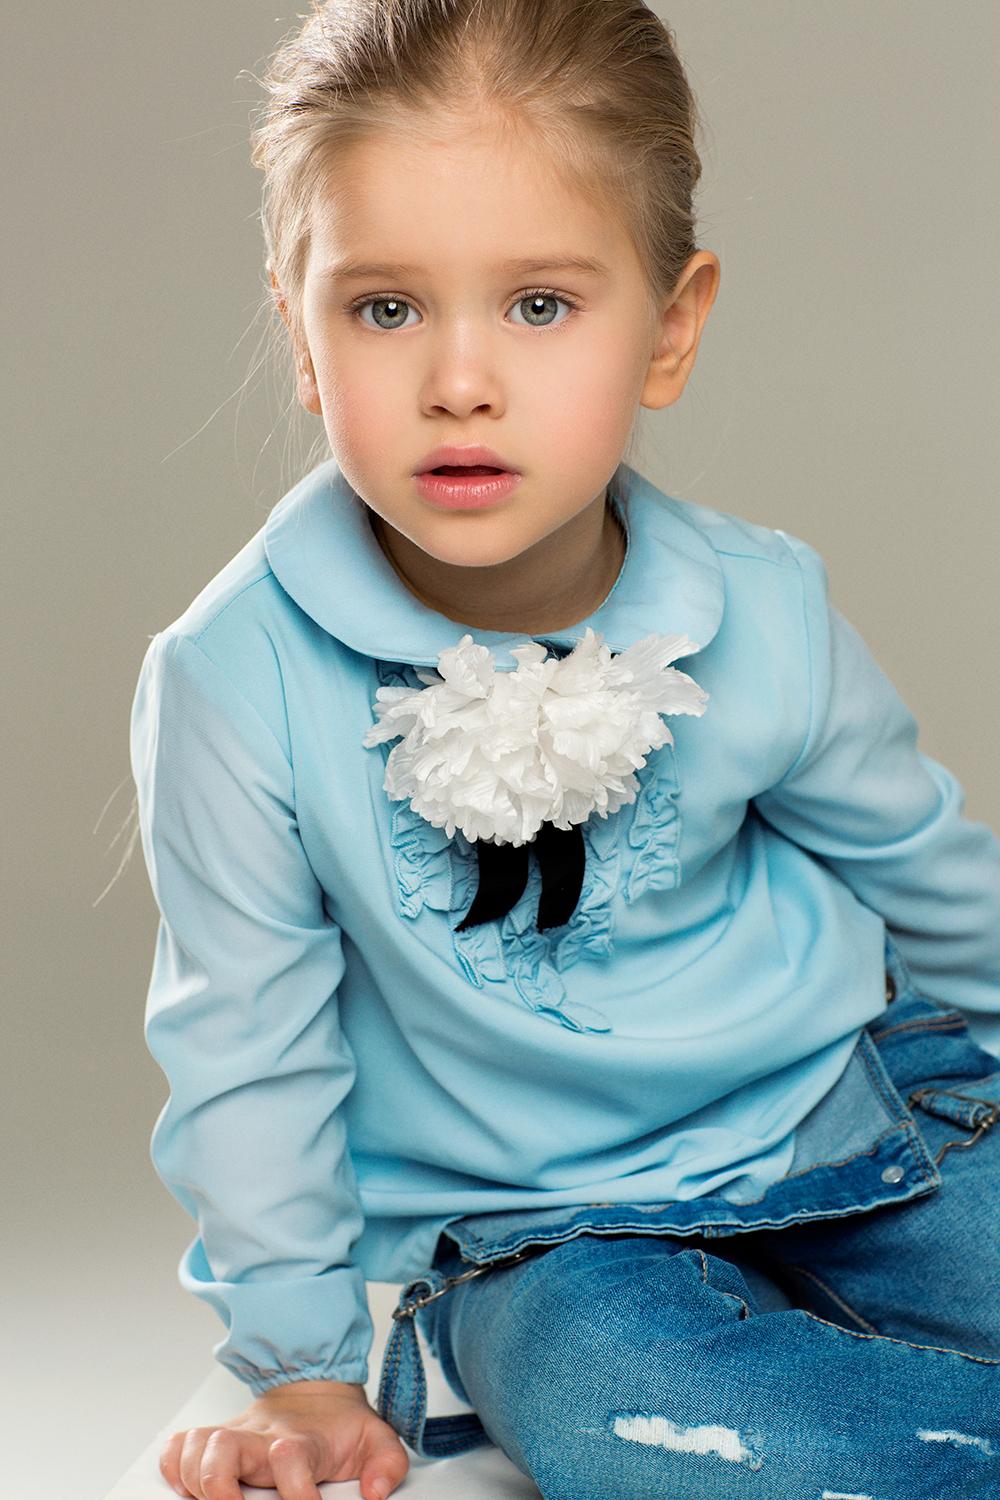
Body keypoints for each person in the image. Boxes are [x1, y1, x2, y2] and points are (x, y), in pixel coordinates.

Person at [129, 3, 1000, 1498]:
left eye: (540, 305)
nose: (460, 380)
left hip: (854, 1113)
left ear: (670, 328)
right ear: (300, 334)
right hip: (550, 1232)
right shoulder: (232, 675)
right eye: (385, 309)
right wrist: (301, 1367)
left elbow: (931, 873)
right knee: (641, 1430)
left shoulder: (760, 607)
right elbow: (245, 1044)